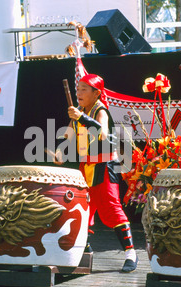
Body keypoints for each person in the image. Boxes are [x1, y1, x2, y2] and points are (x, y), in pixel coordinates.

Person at [54, 74, 138, 273]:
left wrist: (80, 117)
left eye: (84, 89)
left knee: (111, 208)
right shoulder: (79, 111)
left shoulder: (101, 110)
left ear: (96, 93)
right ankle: (84, 250)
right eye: (78, 89)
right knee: (83, 209)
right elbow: (68, 134)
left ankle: (131, 253)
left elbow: (101, 131)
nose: (79, 92)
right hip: (86, 168)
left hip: (104, 166)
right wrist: (59, 151)